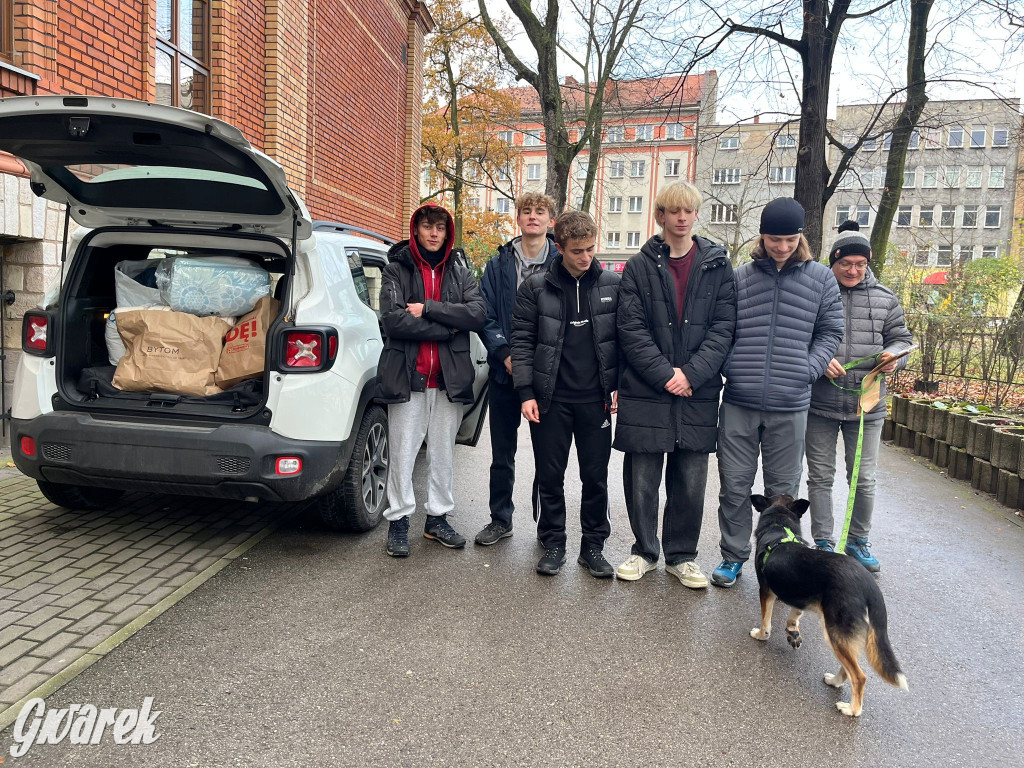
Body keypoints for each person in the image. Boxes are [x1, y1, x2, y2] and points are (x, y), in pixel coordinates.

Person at [712, 197, 845, 587]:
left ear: (800, 237)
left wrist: (807, 369)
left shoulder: (821, 278)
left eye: (789, 239)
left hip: (791, 404)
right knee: (734, 486)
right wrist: (729, 366)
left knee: (782, 493)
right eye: (774, 239)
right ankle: (733, 557)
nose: (781, 247)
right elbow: (723, 330)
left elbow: (830, 332)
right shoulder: (740, 277)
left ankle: (779, 561)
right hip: (739, 400)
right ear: (762, 236)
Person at [614, 182, 736, 588]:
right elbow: (630, 330)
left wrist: (692, 374)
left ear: (696, 215)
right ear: (661, 215)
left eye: (689, 211)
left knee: (690, 479)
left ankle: (681, 556)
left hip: (697, 391)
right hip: (648, 387)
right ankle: (644, 551)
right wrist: (667, 374)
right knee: (642, 477)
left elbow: (724, 328)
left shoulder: (718, 264)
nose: (682, 218)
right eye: (674, 211)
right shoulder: (638, 266)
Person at [510, 210, 620, 577]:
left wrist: (617, 386)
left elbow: (622, 341)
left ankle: (593, 546)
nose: (586, 257)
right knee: (550, 474)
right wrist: (525, 391)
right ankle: (553, 541)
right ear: (559, 248)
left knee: (595, 477)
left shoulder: (611, 284)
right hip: (549, 401)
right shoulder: (535, 287)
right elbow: (522, 342)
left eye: (590, 249)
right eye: (577, 251)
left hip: (596, 401)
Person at [377, 203, 486, 558]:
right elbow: (393, 322)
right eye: (427, 226)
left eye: (440, 226)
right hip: (408, 376)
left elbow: (478, 314)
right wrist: (450, 327)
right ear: (416, 229)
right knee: (404, 453)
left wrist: (428, 308)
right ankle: (398, 522)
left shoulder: (459, 270)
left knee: (442, 454)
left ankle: (437, 519)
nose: (434, 233)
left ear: (447, 231)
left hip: (448, 377)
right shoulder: (396, 269)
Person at [805, 221, 913, 572]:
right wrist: (820, 361)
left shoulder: (884, 298)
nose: (852, 270)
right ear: (832, 262)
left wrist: (894, 357)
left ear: (867, 265)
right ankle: (823, 540)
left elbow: (902, 339)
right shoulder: (815, 293)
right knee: (820, 477)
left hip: (867, 406)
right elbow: (798, 338)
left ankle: (858, 540)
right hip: (819, 404)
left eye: (859, 264)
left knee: (863, 479)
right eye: (845, 263)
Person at [474, 194, 558, 546]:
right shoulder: (498, 263)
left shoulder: (561, 261)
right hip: (504, 373)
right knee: (502, 452)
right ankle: (500, 518)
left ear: (551, 221)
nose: (533, 218)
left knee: (548, 456)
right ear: (518, 220)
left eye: (540, 212)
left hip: (547, 377)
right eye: (527, 212)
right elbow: (485, 312)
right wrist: (504, 352)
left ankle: (547, 528)